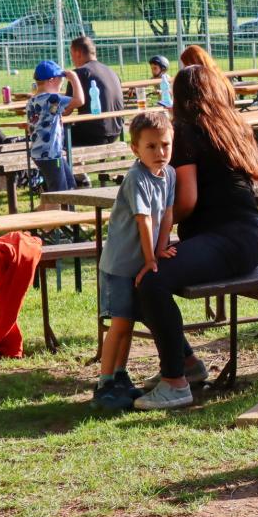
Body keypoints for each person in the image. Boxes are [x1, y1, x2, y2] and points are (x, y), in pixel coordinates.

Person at [134, 65, 258, 410]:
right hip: (247, 237)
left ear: (179, 97)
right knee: (140, 274)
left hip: (227, 238)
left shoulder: (185, 131)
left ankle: (175, 383)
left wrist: (157, 226)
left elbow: (187, 201)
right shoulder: (232, 125)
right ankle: (188, 364)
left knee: (151, 279)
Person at [92, 111, 176, 410]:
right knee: (119, 323)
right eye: (151, 146)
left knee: (128, 323)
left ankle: (120, 374)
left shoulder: (169, 174)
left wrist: (161, 248)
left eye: (165, 145)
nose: (160, 152)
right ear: (135, 149)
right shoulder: (136, 178)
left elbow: (167, 214)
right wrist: (151, 259)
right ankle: (104, 382)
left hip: (140, 265)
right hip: (120, 266)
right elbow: (145, 221)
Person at [25, 60, 85, 192]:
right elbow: (80, 100)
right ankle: (54, 206)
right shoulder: (52, 98)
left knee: (69, 186)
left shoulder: (32, 100)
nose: (62, 83)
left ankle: (51, 205)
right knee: (60, 192)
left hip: (42, 153)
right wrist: (74, 79)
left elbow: (55, 112)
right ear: (51, 80)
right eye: (61, 79)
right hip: (50, 154)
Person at [66, 36, 124, 147]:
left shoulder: (78, 74)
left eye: (71, 54)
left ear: (78, 53)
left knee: (52, 134)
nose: (72, 59)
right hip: (116, 131)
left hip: (92, 134)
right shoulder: (112, 71)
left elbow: (66, 110)